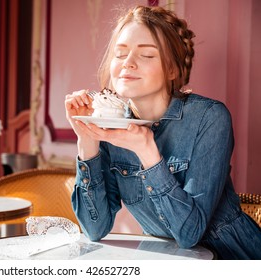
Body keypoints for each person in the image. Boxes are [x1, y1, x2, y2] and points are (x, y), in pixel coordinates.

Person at [64, 5, 261, 259]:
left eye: (146, 55)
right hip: (170, 263)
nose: (128, 64)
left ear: (172, 70)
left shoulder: (209, 118)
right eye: (120, 54)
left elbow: (190, 234)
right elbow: (94, 228)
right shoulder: (111, 127)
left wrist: (147, 151)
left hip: (235, 259)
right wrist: (87, 140)